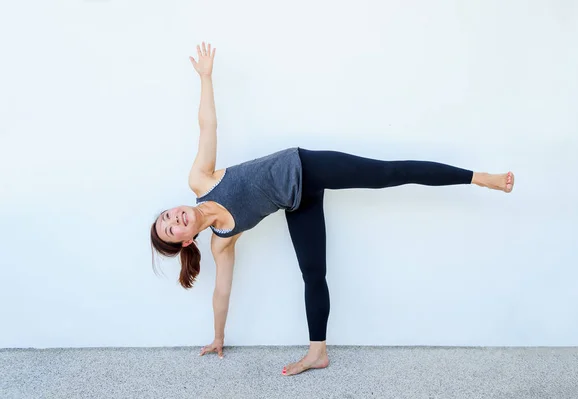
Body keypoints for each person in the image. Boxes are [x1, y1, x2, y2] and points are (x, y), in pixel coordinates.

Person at [149, 42, 515, 377]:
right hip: (297, 202)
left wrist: (206, 78)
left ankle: (480, 178)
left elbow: (207, 125)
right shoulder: (222, 241)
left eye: (168, 215)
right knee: (313, 274)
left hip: (306, 166)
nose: (174, 219)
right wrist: (218, 337)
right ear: (184, 242)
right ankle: (317, 353)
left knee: (389, 172)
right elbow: (222, 292)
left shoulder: (201, 179)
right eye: (171, 229)